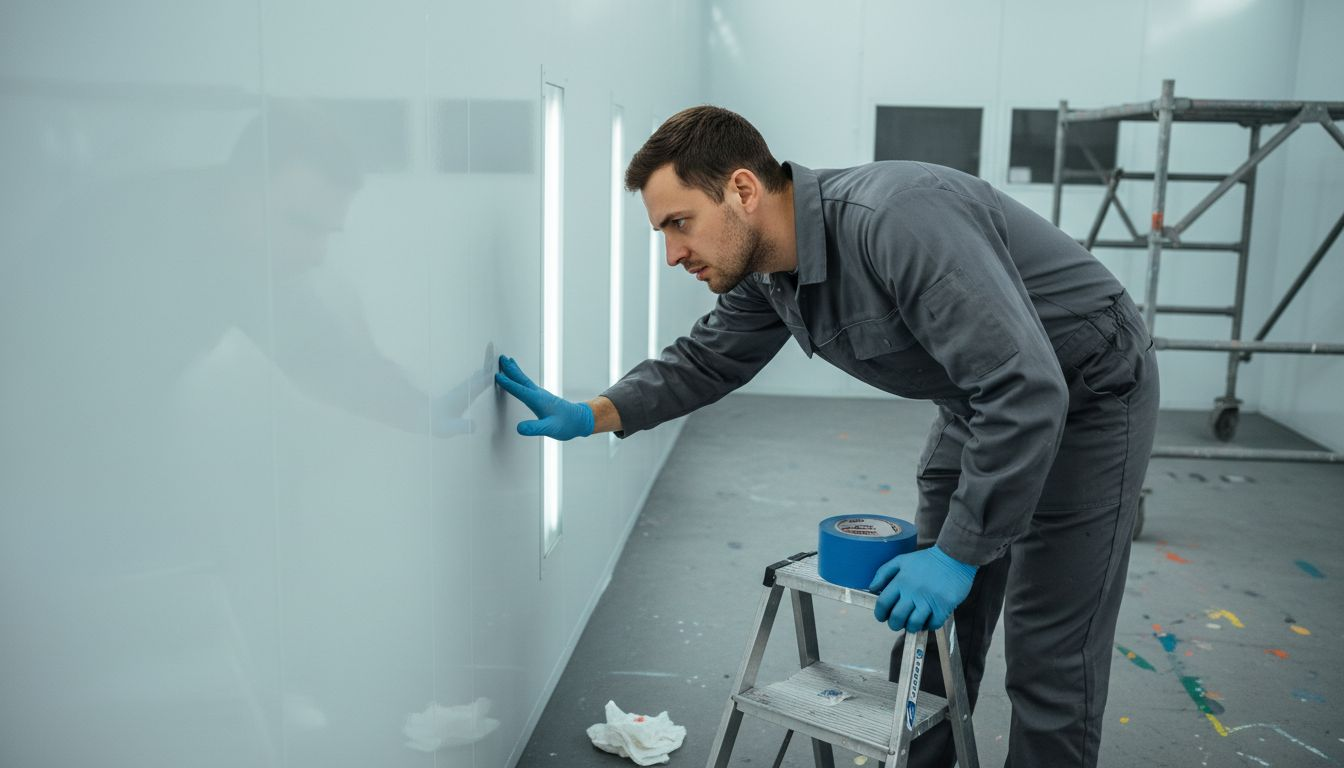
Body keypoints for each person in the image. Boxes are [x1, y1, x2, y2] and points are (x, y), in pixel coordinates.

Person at [495, 105, 1158, 768]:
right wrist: (592, 414)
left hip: (1088, 390)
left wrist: (958, 555)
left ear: (742, 190)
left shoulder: (898, 221)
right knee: (929, 633)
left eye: (680, 222)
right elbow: (707, 359)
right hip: (980, 402)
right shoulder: (769, 270)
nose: (673, 254)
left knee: (1051, 649)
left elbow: (1025, 387)